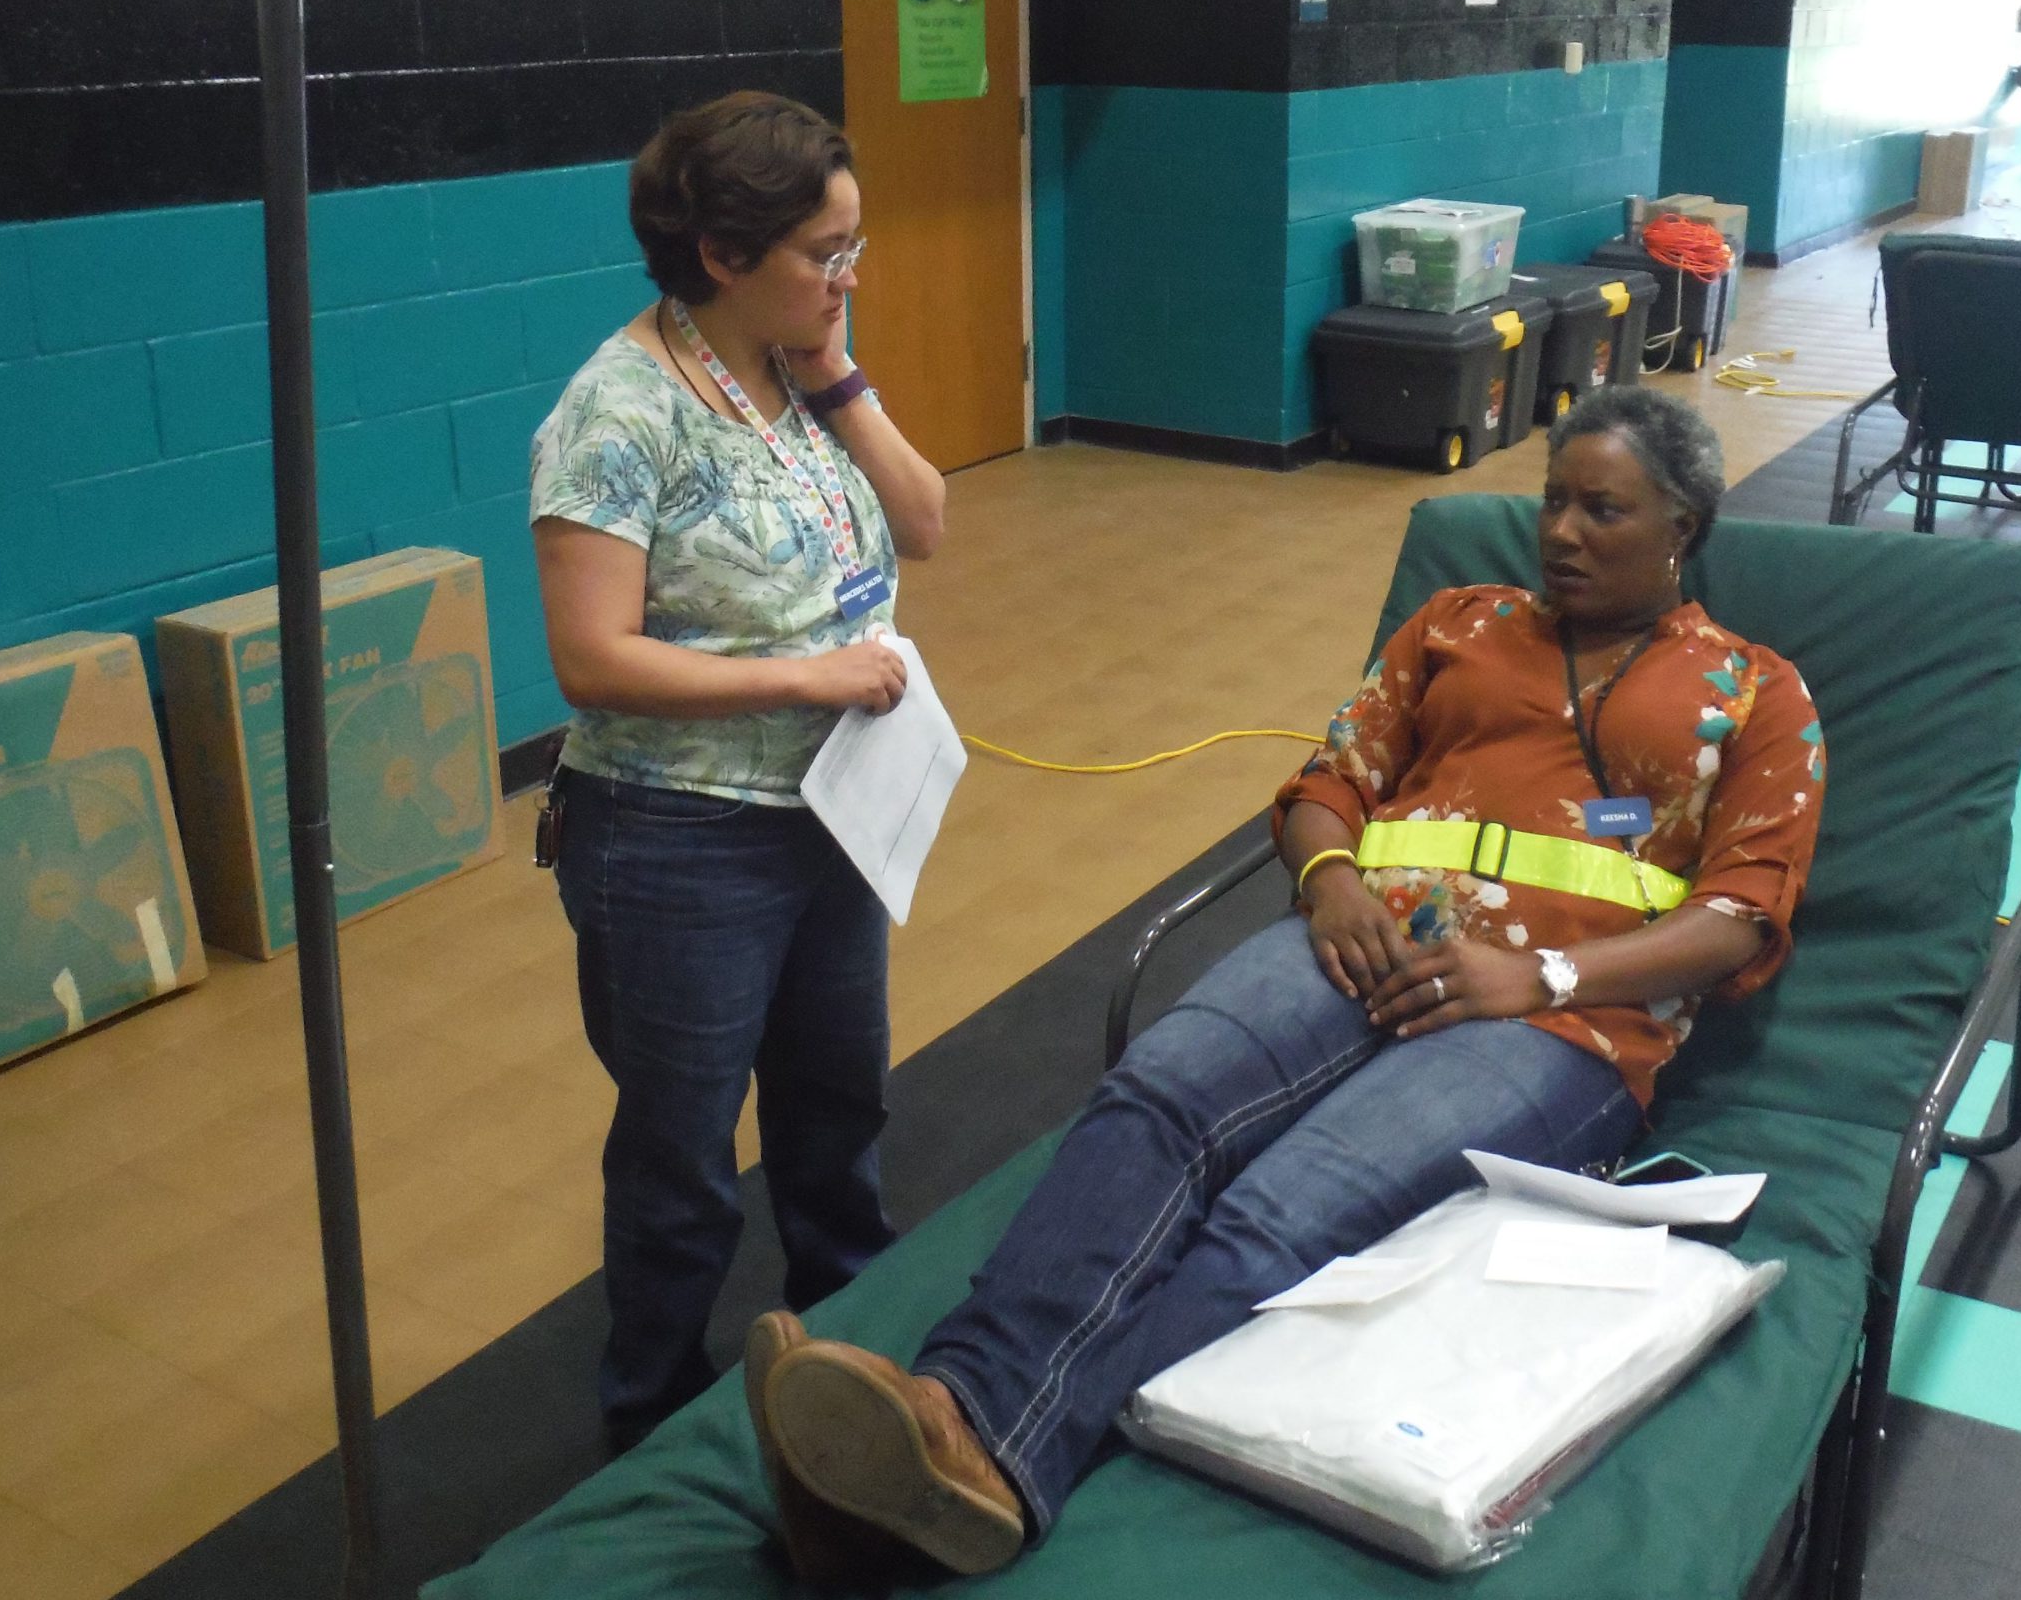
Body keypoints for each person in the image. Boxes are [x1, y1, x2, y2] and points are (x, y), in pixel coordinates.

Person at [743, 386, 1823, 1577]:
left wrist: (1540, 973)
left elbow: (1738, 916)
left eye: (1602, 511)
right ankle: (948, 1416)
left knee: (1284, 1211)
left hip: (1556, 1024)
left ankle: (978, 1458)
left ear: (1683, 524)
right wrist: (1330, 885)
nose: (1561, 532)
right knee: (1156, 1100)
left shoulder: (1753, 693)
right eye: (1554, 501)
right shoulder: (1461, 621)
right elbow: (1326, 782)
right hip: (1357, 945)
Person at [528, 91, 947, 1450]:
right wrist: (805, 676)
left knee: (837, 1109)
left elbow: (926, 521)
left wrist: (839, 373)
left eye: (854, 247)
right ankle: (649, 1420)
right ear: (721, 252)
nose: (847, 275)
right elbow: (591, 661)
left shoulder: (798, 363)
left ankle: (857, 1358)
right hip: (678, 836)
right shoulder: (618, 411)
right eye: (825, 250)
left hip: (828, 816)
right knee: (682, 1158)